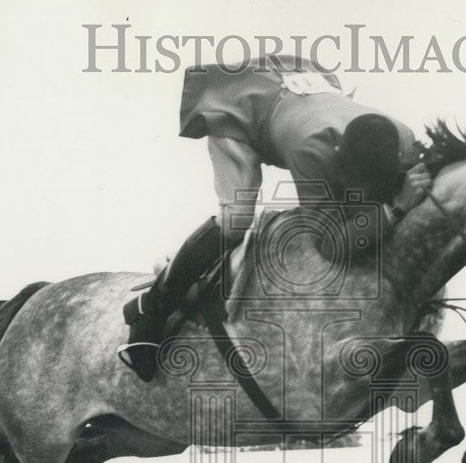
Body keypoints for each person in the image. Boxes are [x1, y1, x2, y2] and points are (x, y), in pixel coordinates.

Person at [119, 54, 432, 380]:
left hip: (298, 95)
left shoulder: (404, 139)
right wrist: (395, 209)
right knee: (236, 220)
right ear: (338, 156)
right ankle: (151, 307)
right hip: (244, 110)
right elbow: (330, 245)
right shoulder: (311, 151)